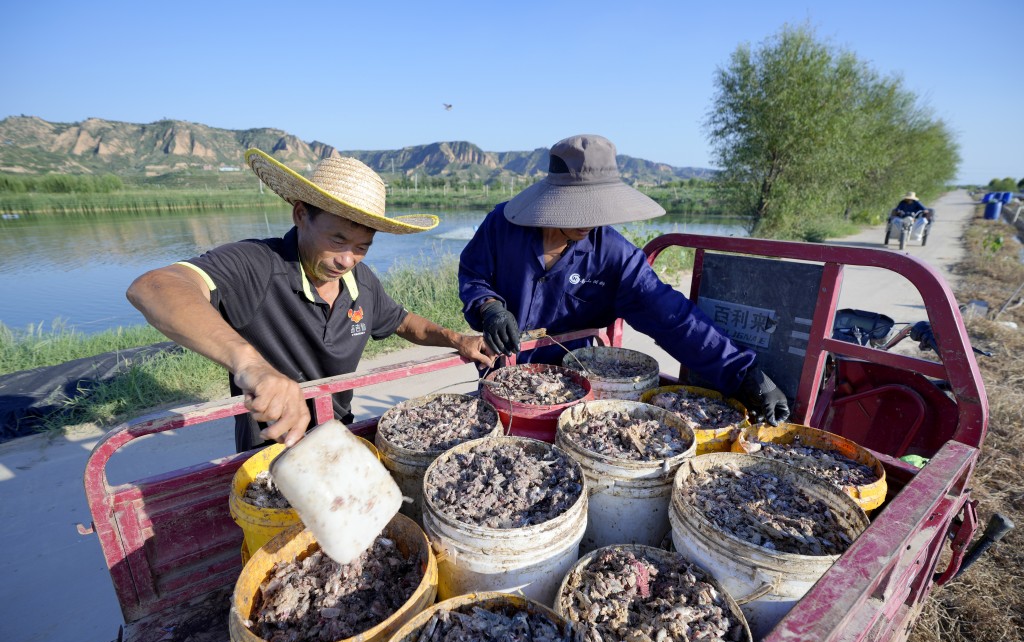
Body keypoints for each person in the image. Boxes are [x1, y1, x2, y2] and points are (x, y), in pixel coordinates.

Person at [127, 149, 496, 451]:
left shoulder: (360, 282)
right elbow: (154, 286)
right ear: (301, 215)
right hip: (273, 449)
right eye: (337, 240)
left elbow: (400, 320)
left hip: (339, 437)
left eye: (362, 247)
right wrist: (252, 366)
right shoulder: (256, 265)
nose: (347, 260)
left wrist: (458, 340)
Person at [458, 134, 789, 425]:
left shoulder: (615, 255)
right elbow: (473, 274)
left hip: (574, 391)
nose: (589, 220)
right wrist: (489, 308)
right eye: (578, 208)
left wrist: (743, 373)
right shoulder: (503, 227)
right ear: (555, 197)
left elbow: (672, 316)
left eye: (596, 208)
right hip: (502, 383)